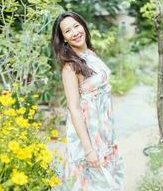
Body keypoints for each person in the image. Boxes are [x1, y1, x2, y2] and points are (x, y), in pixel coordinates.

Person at [51, 11, 124, 191]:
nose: (74, 32)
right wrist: (89, 149)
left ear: (83, 26)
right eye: (67, 31)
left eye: (76, 26)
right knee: (90, 183)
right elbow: (74, 109)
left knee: (107, 180)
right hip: (87, 134)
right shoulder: (70, 68)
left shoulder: (91, 54)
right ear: (64, 39)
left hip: (103, 129)